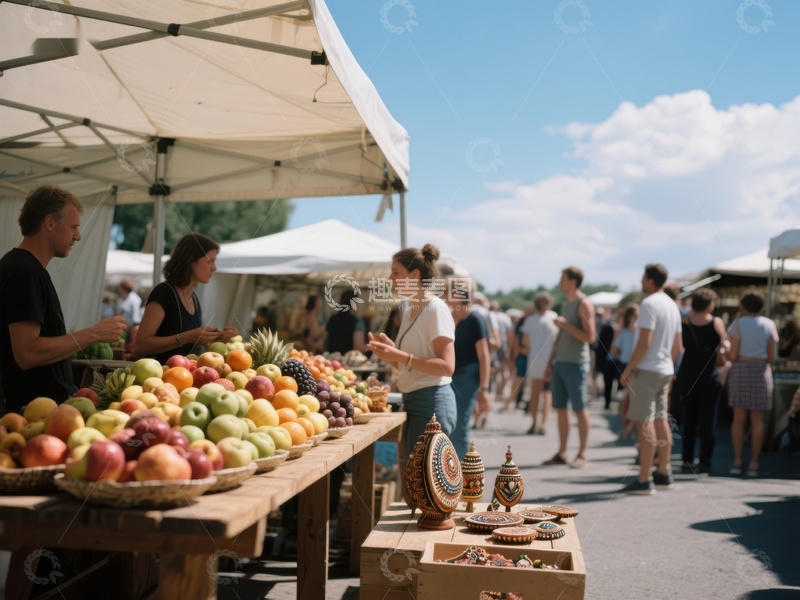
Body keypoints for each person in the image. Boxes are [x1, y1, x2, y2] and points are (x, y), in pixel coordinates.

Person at [0, 184, 127, 411]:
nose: (78, 236)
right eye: (73, 227)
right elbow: (27, 353)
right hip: (35, 414)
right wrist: (94, 333)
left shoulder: (28, 269)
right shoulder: (24, 271)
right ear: (49, 223)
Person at [366, 244, 456, 460]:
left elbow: (446, 366)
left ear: (414, 275)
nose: (390, 278)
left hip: (431, 403)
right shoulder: (409, 309)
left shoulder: (435, 308)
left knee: (422, 486)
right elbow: (412, 364)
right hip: (414, 400)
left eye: (396, 272)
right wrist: (390, 353)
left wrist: (400, 356)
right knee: (412, 481)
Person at [620, 264, 682, 495]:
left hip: (648, 369)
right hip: (665, 368)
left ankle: (645, 478)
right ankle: (664, 472)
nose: (640, 281)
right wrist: (669, 365)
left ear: (649, 279)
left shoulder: (649, 303)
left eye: (643, 277)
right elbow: (678, 345)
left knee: (644, 423)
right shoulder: (672, 305)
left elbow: (644, 341)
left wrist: (628, 369)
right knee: (661, 420)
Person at [135, 233, 237, 364]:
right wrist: (187, 337)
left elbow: (191, 347)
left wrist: (218, 338)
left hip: (184, 378)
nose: (214, 268)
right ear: (190, 261)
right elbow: (140, 346)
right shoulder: (164, 293)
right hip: (161, 378)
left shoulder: (193, 298)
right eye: (209, 261)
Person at [542, 268, 596, 469]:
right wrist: (550, 361)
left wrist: (565, 325)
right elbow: (562, 337)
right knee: (562, 409)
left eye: (562, 278)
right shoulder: (568, 303)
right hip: (562, 363)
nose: (559, 282)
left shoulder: (584, 304)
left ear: (573, 281)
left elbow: (590, 337)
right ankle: (563, 452)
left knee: (580, 409)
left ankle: (582, 453)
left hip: (576, 364)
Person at [726, 291, 778, 478]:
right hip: (761, 370)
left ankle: (738, 459)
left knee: (739, 418)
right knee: (758, 419)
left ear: (743, 305)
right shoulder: (769, 324)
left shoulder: (738, 324)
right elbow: (771, 356)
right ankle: (754, 463)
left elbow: (732, 355)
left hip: (741, 368)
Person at [677, 289, 727, 474]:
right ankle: (705, 461)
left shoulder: (684, 322)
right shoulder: (716, 322)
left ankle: (686, 459)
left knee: (689, 419)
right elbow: (723, 348)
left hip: (688, 374)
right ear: (709, 304)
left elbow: (679, 347)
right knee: (708, 420)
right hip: (708, 375)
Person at [446, 278, 491, 459]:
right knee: (450, 427)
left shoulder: (475, 319)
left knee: (459, 429)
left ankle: (465, 477)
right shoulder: (450, 317)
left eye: (446, 291)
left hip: (467, 377)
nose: (443, 295)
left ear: (456, 294)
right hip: (452, 378)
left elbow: (484, 356)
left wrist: (484, 389)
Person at [523, 292, 558, 435]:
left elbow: (525, 342)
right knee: (546, 392)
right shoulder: (553, 317)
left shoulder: (530, 320)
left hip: (535, 359)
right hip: (549, 358)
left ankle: (535, 423)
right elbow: (557, 341)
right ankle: (542, 424)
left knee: (535, 392)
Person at [606, 304, 638, 409]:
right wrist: (624, 356)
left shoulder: (640, 331)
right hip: (625, 364)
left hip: (636, 365)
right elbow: (614, 350)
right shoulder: (624, 332)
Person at [325, 289, 367, 354]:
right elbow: (358, 346)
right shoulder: (357, 321)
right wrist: (373, 347)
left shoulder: (333, 319)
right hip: (347, 360)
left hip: (331, 358)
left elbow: (324, 341)